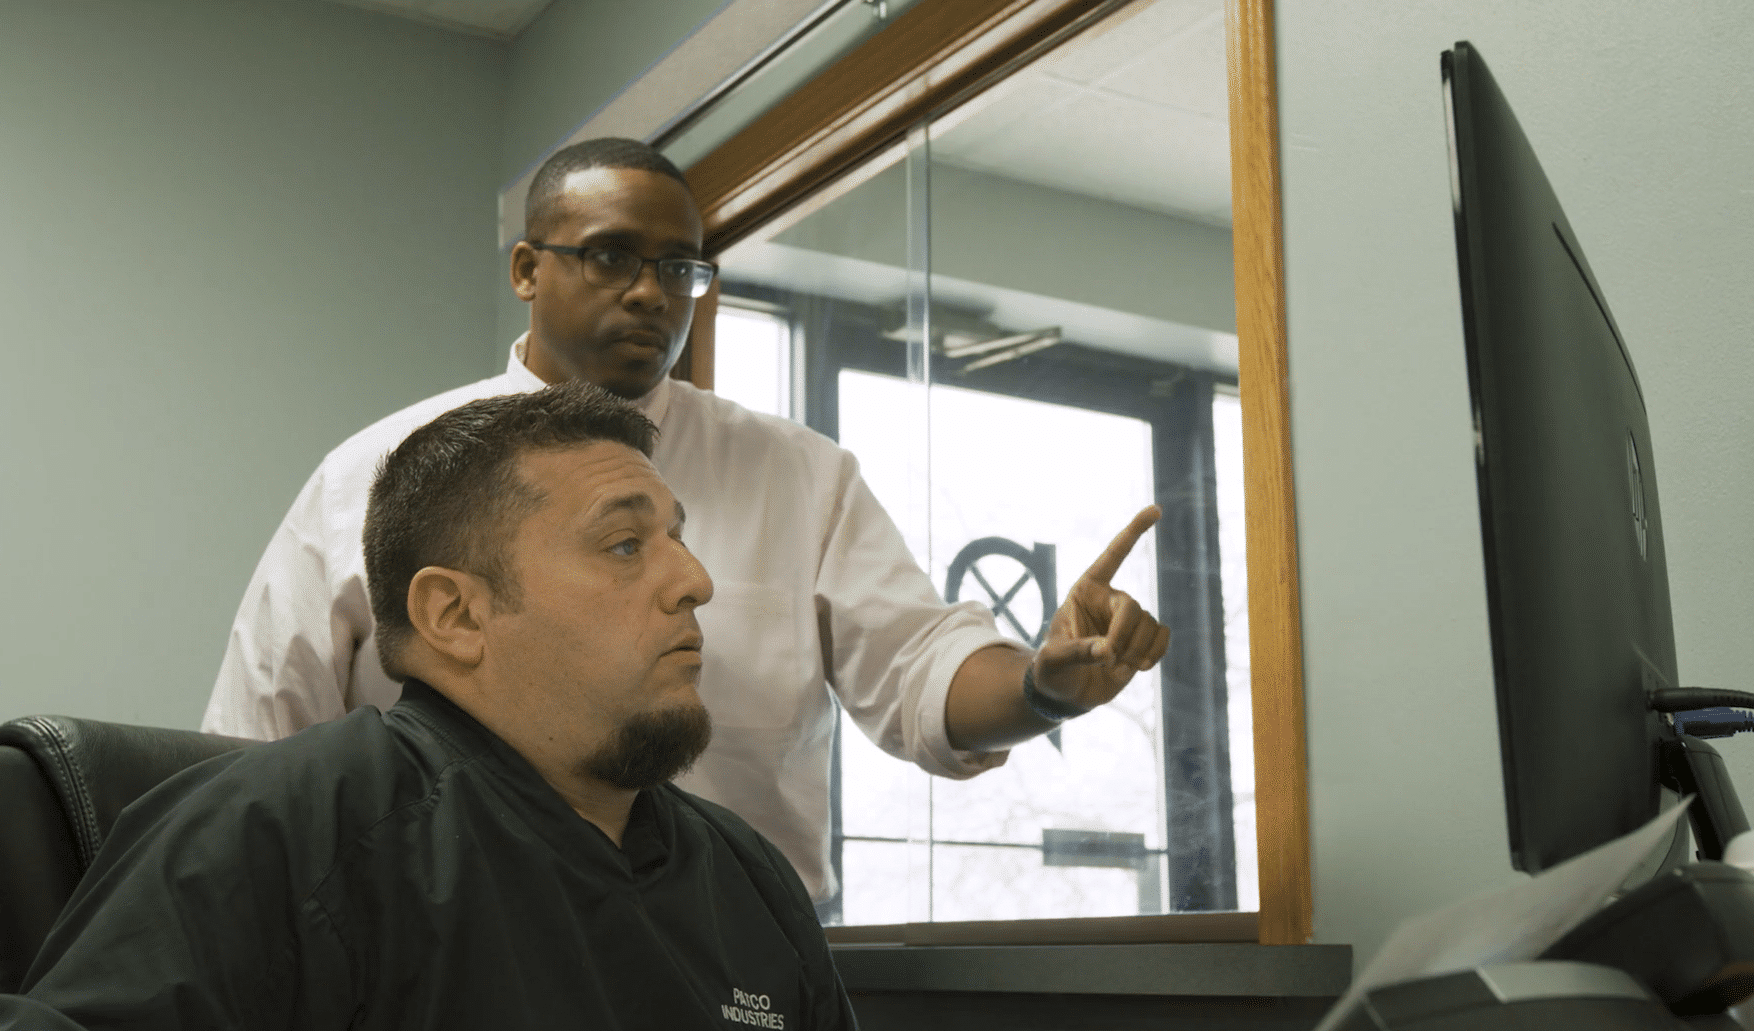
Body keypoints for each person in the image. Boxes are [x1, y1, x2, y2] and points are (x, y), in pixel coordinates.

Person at [203, 137, 1171, 901]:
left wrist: (1044, 686)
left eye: (679, 267)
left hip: (728, 951)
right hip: (439, 943)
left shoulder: (799, 475)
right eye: (612, 255)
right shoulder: (375, 473)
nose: (650, 292)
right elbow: (256, 742)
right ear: (528, 268)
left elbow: (919, 674)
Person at [0, 382, 859, 1030]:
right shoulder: (282, 828)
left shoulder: (747, 878)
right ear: (457, 614)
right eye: (625, 543)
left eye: (679, 537)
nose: (695, 582)